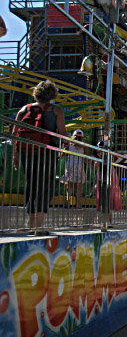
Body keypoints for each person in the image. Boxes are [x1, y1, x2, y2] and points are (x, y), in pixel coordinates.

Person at [12, 79, 68, 235]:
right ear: (52, 94)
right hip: (47, 151)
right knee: (45, 186)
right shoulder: (56, 110)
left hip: (26, 152)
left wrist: (15, 155)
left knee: (31, 185)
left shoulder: (24, 109)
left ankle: (30, 222)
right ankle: (39, 224)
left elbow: (15, 133)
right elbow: (63, 133)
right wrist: (65, 147)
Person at [64, 129, 87, 209]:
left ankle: (68, 199)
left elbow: (63, 153)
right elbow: (86, 156)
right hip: (79, 166)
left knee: (70, 185)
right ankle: (78, 204)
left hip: (70, 165)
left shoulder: (69, 144)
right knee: (78, 186)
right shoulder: (83, 146)